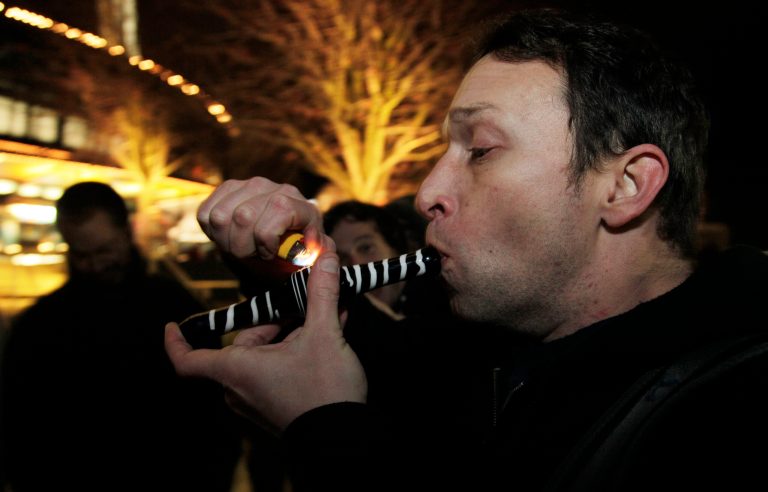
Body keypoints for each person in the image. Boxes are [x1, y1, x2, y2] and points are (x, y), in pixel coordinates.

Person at [165, 8, 768, 492]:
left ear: (626, 186)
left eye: (480, 149)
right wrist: (281, 266)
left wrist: (326, 432)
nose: (428, 192)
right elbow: (375, 358)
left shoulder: (730, 415)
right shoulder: (472, 344)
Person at [1, 182, 241, 492]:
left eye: (104, 250)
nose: (96, 265)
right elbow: (20, 429)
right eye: (81, 255)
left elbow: (212, 418)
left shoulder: (177, 310)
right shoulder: (38, 326)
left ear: (127, 233)